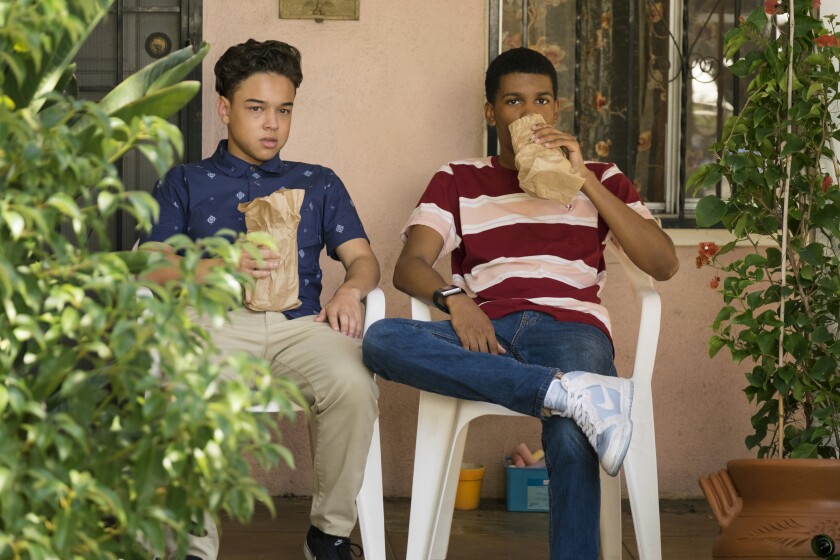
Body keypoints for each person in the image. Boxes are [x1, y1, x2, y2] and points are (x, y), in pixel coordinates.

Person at [361, 47, 678, 559]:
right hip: (487, 328)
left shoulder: (603, 175)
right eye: (513, 101)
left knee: (573, 434)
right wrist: (456, 301)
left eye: (542, 100)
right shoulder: (458, 178)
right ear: (492, 113)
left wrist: (586, 182)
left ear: (557, 110)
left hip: (574, 328)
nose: (529, 113)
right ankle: (568, 393)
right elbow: (409, 265)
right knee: (380, 340)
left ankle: (568, 396)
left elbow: (663, 264)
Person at [142, 39, 380, 560]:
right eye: (256, 109)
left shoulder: (318, 182)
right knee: (181, 387)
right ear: (225, 109)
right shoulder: (185, 182)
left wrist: (351, 289)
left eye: (284, 110)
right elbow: (151, 266)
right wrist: (217, 265)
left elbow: (363, 258)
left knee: (354, 385)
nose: (272, 124)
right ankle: (192, 546)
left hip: (303, 328)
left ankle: (329, 535)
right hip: (213, 327)